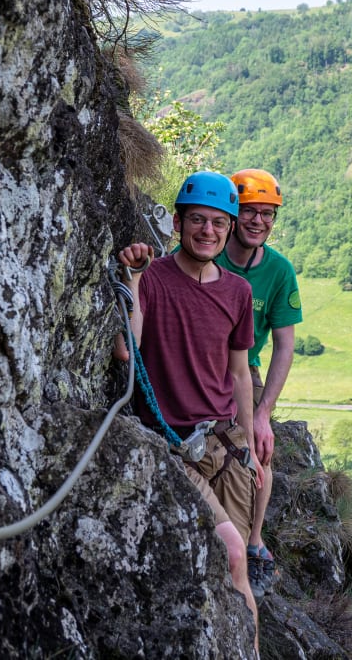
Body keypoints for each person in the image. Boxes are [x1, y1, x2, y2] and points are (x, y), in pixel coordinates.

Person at [117, 171, 263, 649]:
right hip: (176, 443)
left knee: (232, 569)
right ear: (178, 223)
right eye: (197, 220)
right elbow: (127, 352)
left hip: (226, 445)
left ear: (230, 228)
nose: (208, 231)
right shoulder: (154, 279)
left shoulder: (238, 293)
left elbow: (239, 374)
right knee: (234, 554)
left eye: (219, 223)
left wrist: (251, 447)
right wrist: (134, 279)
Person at [217, 168, 303, 599]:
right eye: (250, 212)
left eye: (268, 214)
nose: (259, 222)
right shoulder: (208, 251)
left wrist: (263, 412)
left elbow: (284, 347)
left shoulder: (279, 271)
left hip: (242, 369)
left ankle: (254, 542)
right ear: (234, 214)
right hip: (197, 361)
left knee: (257, 452)